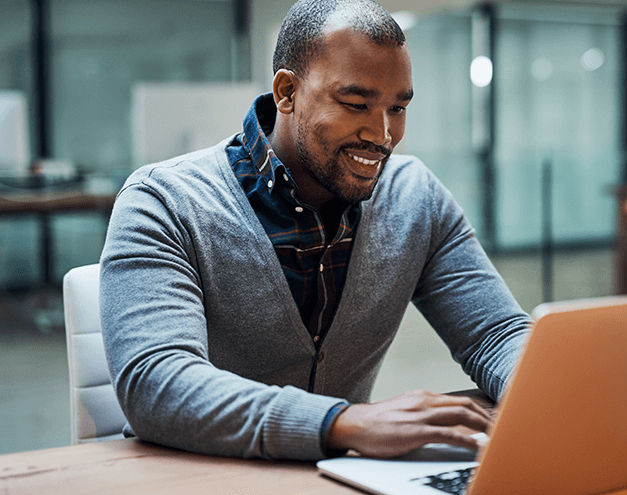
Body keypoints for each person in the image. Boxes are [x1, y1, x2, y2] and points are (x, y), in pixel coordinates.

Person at [99, 0, 529, 461]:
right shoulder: (164, 201)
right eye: (356, 104)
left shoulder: (415, 198)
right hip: (194, 475)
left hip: (335, 477)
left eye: (398, 108)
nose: (382, 134)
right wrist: (340, 423)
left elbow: (495, 333)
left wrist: (547, 391)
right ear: (286, 92)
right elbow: (155, 382)